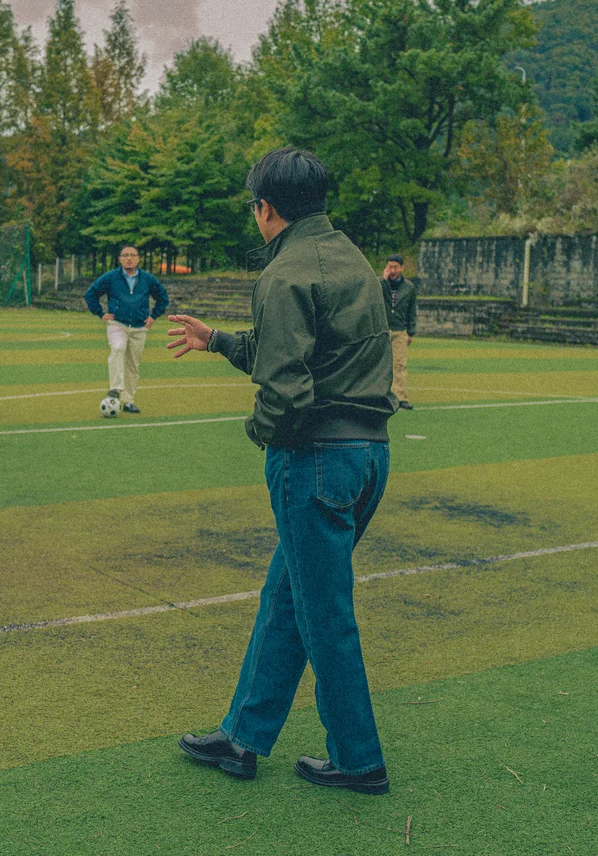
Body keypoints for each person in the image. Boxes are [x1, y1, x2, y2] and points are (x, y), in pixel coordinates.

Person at [167, 147, 397, 793]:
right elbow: (306, 354)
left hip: (315, 459)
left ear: (265, 207)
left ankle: (359, 758)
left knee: (323, 613)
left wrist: (260, 433)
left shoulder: (283, 274)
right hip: (367, 454)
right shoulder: (353, 259)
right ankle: (243, 736)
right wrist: (218, 340)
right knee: (289, 597)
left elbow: (286, 392)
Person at [83, 244, 169, 414]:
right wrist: (100, 313)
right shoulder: (110, 277)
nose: (129, 258)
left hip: (139, 327)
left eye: (132, 255)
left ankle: (128, 401)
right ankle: (115, 389)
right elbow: (90, 294)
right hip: (117, 324)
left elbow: (163, 298)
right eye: (125, 255)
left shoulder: (148, 279)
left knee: (133, 365)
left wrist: (153, 316)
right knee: (117, 348)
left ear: (138, 258)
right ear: (120, 259)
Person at [381, 253, 417, 410]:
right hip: (382, 330)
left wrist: (411, 332)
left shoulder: (409, 287)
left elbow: (412, 310)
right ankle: (379, 395)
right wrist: (383, 281)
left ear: (402, 268)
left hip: (400, 330)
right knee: (380, 365)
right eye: (390, 267)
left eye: (395, 267)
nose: (392, 270)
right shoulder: (381, 284)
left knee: (400, 364)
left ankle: (401, 397)